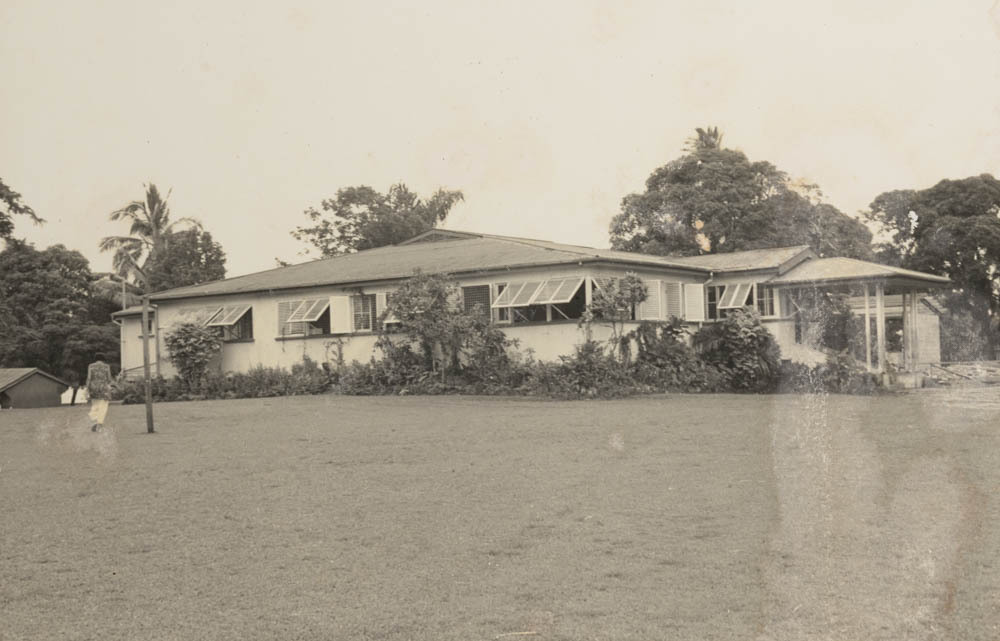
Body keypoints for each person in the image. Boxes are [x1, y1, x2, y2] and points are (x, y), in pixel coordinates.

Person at [86, 353, 113, 432]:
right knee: (103, 406)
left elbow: (89, 378)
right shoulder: (106, 366)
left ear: (95, 359)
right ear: (103, 359)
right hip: (104, 388)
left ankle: (94, 419)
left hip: (93, 388)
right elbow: (109, 379)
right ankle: (99, 424)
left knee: (95, 406)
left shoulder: (91, 366)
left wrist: (87, 388)